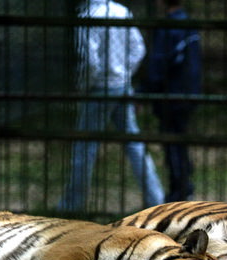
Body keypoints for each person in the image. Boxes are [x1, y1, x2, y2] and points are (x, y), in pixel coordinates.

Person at [59, 0, 164, 213]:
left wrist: (83, 86)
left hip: (99, 89)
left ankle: (72, 205)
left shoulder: (87, 16)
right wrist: (124, 73)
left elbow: (90, 61)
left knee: (84, 147)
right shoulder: (121, 11)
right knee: (134, 143)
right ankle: (157, 199)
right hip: (122, 86)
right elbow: (138, 48)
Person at [144, 0, 201, 202]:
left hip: (172, 94)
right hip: (189, 93)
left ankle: (180, 190)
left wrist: (147, 89)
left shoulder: (170, 27)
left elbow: (159, 64)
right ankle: (184, 186)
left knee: (173, 144)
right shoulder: (188, 24)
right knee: (179, 141)